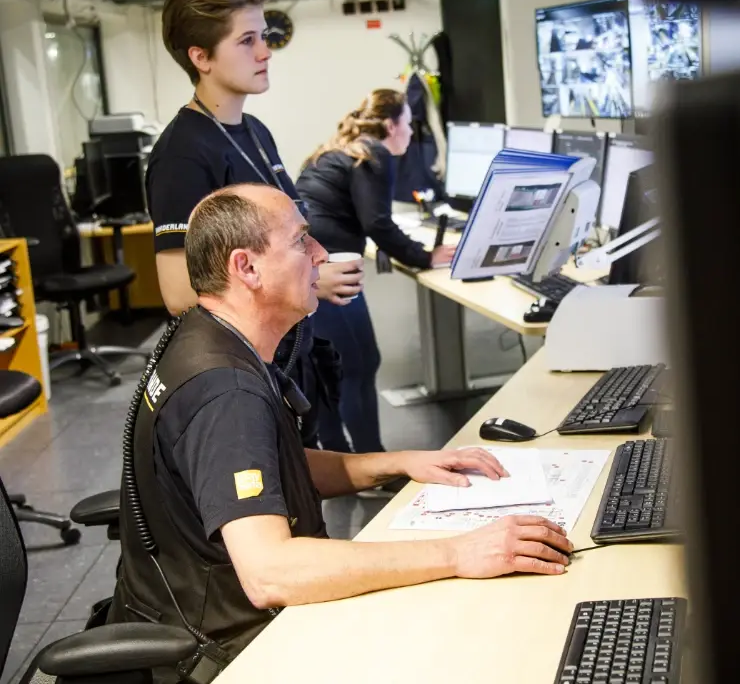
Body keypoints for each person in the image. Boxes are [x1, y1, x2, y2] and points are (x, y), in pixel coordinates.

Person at [108, 184, 572, 681]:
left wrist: (398, 462)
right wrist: (458, 552)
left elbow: (264, 466)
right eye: (301, 240)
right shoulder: (226, 394)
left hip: (187, 611)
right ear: (246, 268)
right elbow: (270, 572)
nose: (320, 254)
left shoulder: (208, 338)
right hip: (228, 651)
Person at [144, 0, 360, 449]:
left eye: (263, 37)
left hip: (290, 358)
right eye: (247, 41)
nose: (265, 52)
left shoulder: (255, 133)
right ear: (200, 57)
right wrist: (305, 280)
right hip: (245, 375)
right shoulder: (183, 154)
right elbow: (179, 292)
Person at [295, 89, 455, 459]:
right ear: (390, 125)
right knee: (359, 363)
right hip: (331, 268)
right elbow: (378, 224)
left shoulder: (341, 149)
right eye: (408, 124)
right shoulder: (374, 153)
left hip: (308, 262)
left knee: (329, 366)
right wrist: (425, 257)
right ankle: (371, 461)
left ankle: (337, 455)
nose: (411, 133)